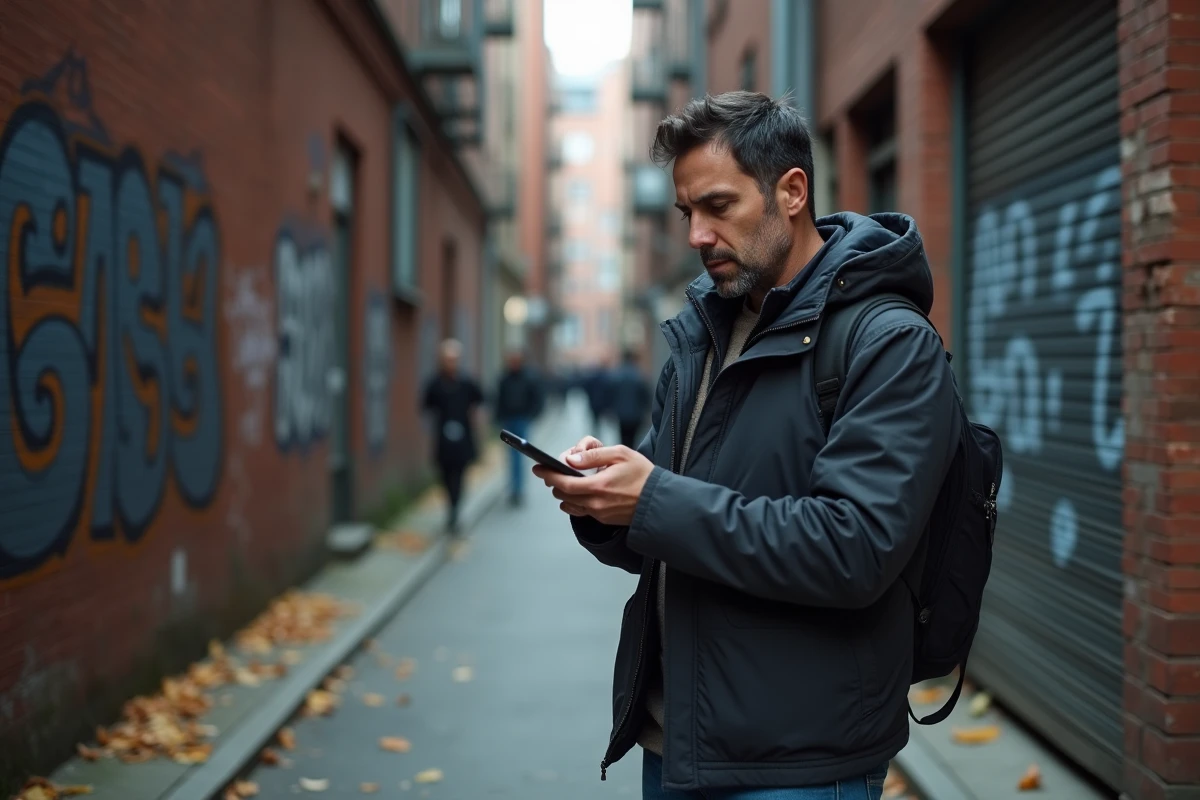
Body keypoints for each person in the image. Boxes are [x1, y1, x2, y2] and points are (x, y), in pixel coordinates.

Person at [533, 91, 959, 799]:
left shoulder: (889, 343)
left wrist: (653, 498)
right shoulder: (702, 334)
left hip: (796, 763)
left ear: (792, 192)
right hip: (675, 743)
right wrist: (600, 498)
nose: (697, 234)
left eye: (718, 206)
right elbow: (665, 521)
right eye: (686, 213)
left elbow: (853, 548)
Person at [421, 339, 483, 535]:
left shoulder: (466, 383)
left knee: (460, 475)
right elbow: (426, 405)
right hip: (443, 439)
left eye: (454, 359)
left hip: (463, 439)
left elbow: (479, 401)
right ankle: (451, 507)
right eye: (447, 359)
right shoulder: (435, 383)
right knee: (445, 476)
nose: (451, 363)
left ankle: (455, 511)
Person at [494, 349, 545, 506]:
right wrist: (499, 417)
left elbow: (537, 398)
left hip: (522, 420)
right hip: (509, 421)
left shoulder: (528, 378)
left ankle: (518, 489)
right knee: (511, 456)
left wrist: (532, 415)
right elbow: (499, 399)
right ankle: (514, 488)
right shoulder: (504, 379)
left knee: (519, 455)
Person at [608, 349, 652, 448]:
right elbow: (646, 396)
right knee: (633, 438)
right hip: (636, 414)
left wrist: (611, 410)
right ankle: (631, 455)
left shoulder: (616, 375)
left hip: (621, 414)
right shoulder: (639, 375)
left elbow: (611, 394)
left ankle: (623, 453)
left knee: (623, 437)